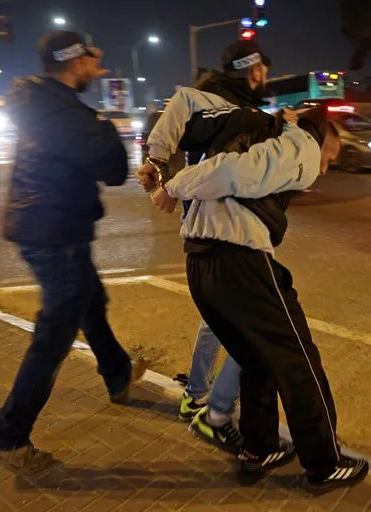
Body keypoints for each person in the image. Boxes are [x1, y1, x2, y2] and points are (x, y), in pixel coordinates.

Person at [148, 89, 370, 494]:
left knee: (256, 361)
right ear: (321, 137)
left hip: (201, 264)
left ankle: (260, 448)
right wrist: (173, 187)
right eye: (331, 156)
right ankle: (325, 462)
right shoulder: (302, 146)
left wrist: (158, 158)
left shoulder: (257, 129)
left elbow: (183, 100)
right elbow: (232, 172)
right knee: (298, 361)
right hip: (241, 262)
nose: (324, 169)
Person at [0, 31, 143, 475]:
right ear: (76, 62)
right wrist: (109, 127)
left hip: (52, 225)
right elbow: (113, 169)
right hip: (53, 231)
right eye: (91, 57)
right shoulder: (65, 113)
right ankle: (6, 437)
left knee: (91, 300)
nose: (96, 64)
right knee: (56, 330)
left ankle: (118, 373)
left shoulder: (46, 104)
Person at [137, 41, 274, 452]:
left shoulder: (232, 106)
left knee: (216, 314)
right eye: (262, 69)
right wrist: (158, 166)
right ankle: (214, 410)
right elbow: (178, 115)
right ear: (253, 71)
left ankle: (196, 394)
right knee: (244, 321)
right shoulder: (214, 103)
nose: (265, 75)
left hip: (213, 218)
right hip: (220, 221)